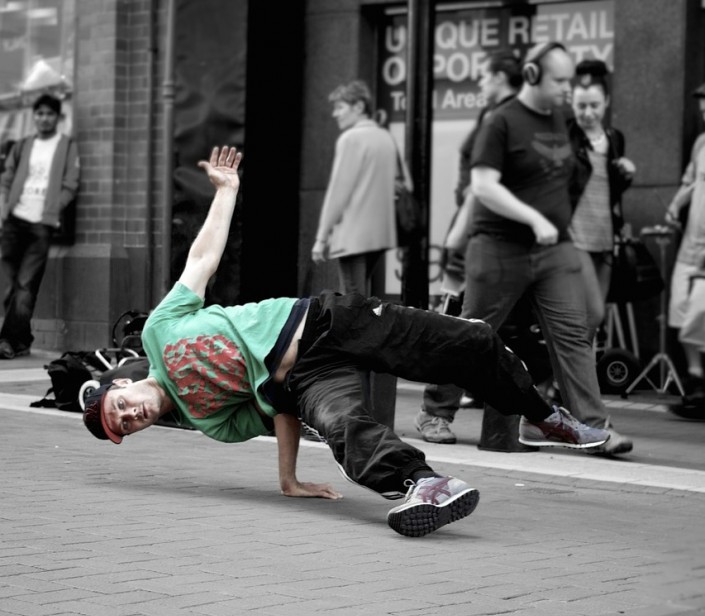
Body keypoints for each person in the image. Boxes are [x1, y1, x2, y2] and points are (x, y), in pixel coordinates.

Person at [82, 145, 611, 538]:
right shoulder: (209, 423)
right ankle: (425, 485)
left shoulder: (159, 332)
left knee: (469, 340)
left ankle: (543, 416)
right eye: (126, 426)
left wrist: (226, 193)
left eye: (120, 408)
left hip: (327, 321)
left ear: (122, 385)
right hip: (307, 378)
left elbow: (201, 261)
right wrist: (289, 479)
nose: (131, 416)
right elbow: (282, 412)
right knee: (342, 428)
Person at [415, 42, 633, 456]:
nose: (568, 89)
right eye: (560, 80)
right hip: (500, 248)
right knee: (473, 335)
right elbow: (483, 186)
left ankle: (593, 427)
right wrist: (529, 219)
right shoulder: (501, 121)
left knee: (572, 335)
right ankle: (435, 412)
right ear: (532, 75)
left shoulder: (562, 120)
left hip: (553, 252)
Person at [421, 49, 523, 440]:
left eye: (484, 75)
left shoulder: (516, 117)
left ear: (500, 77)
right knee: (466, 325)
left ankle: (550, 417)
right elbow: (474, 180)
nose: (479, 82)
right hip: (481, 235)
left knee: (555, 332)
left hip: (515, 239)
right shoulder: (493, 116)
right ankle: (436, 412)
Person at [0, 94, 80, 359]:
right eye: (40, 113)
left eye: (49, 114)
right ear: (34, 116)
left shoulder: (66, 146)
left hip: (41, 225)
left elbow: (71, 183)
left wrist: (55, 208)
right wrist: (4, 210)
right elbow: (7, 178)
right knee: (10, 286)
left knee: (26, 284)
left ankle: (7, 341)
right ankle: (22, 340)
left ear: (58, 117)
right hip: (14, 220)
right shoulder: (23, 145)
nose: (44, 118)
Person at [568, 60, 635, 345]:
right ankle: (564, 368)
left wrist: (626, 174)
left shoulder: (615, 138)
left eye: (594, 105)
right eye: (581, 106)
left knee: (593, 320)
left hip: (605, 236)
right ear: (571, 104)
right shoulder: (565, 136)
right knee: (592, 313)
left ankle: (571, 369)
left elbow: (612, 191)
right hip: (574, 236)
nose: (588, 113)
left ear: (606, 101)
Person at [311, 79, 397, 296]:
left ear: (359, 107)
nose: (335, 114)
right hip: (380, 233)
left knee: (353, 300)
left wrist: (321, 238)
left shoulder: (350, 139)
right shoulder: (385, 137)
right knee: (361, 295)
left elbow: (338, 193)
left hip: (353, 233)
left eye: (340, 107)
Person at [665, 82, 705, 418]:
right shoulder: (701, 143)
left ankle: (698, 385)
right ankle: (696, 378)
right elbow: (691, 182)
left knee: (699, 313)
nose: (704, 112)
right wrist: (674, 206)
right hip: (691, 243)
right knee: (680, 309)